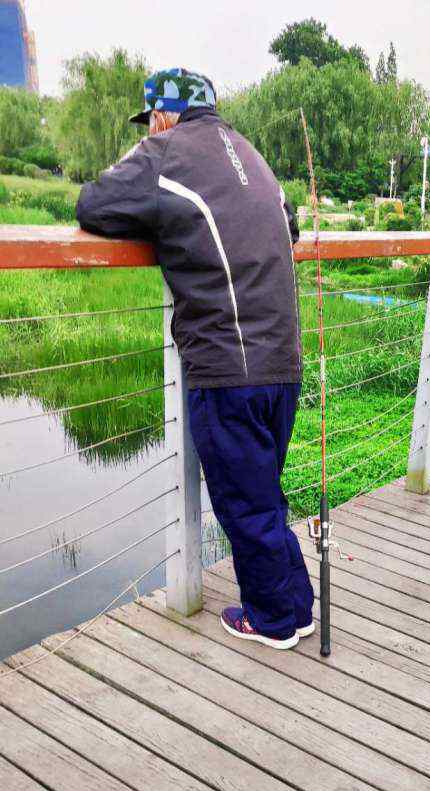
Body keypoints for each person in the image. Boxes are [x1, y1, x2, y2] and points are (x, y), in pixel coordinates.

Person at [76, 68, 314, 650]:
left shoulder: (164, 152)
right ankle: (297, 606)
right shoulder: (251, 155)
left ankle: (274, 621)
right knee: (264, 495)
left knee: (244, 501)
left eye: (150, 120)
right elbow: (289, 225)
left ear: (162, 115)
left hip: (227, 367)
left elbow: (94, 205)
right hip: (282, 362)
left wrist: (145, 157)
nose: (149, 129)